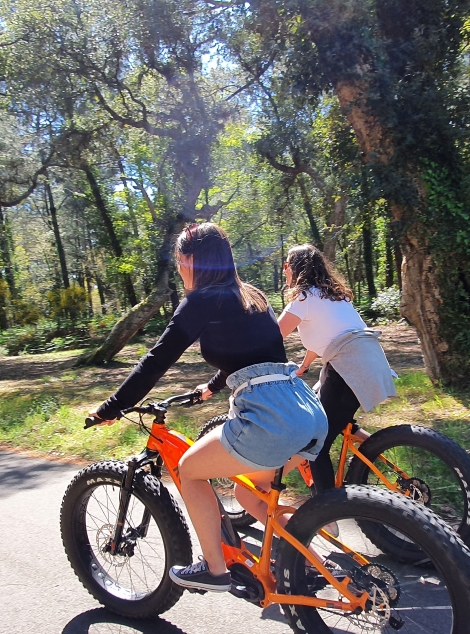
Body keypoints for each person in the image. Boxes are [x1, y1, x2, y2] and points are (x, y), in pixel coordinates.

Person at [90, 224, 327, 593]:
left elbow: (155, 361)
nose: (180, 268)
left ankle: (215, 571)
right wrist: (212, 387)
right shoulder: (254, 296)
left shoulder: (200, 301)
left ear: (189, 261)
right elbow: (256, 355)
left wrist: (111, 407)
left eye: (180, 261)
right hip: (305, 411)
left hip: (269, 421)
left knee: (189, 470)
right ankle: (313, 562)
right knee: (252, 492)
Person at [277, 244, 397, 492]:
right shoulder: (332, 295)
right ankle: (378, 451)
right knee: (329, 413)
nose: (284, 270)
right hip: (365, 361)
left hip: (347, 367)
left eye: (287, 265)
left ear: (296, 269)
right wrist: (304, 366)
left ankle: (327, 511)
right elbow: (328, 334)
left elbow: (273, 335)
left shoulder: (304, 297)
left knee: (315, 442)